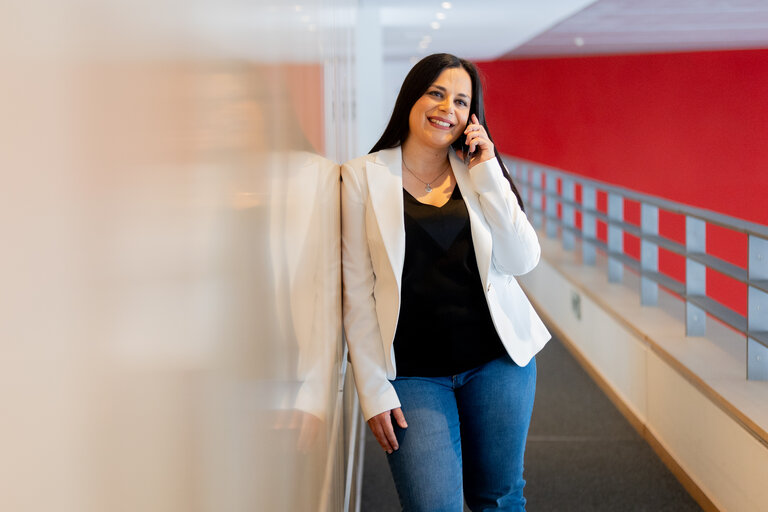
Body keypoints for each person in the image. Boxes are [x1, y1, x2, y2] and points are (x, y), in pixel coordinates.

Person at [341, 53, 551, 511]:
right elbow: (356, 293)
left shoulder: (477, 171)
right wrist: (372, 389)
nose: (447, 108)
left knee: (498, 498)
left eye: (460, 100)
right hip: (414, 375)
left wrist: (488, 171)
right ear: (412, 98)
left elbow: (522, 259)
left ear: (471, 116)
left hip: (497, 364)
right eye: (436, 93)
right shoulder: (362, 176)